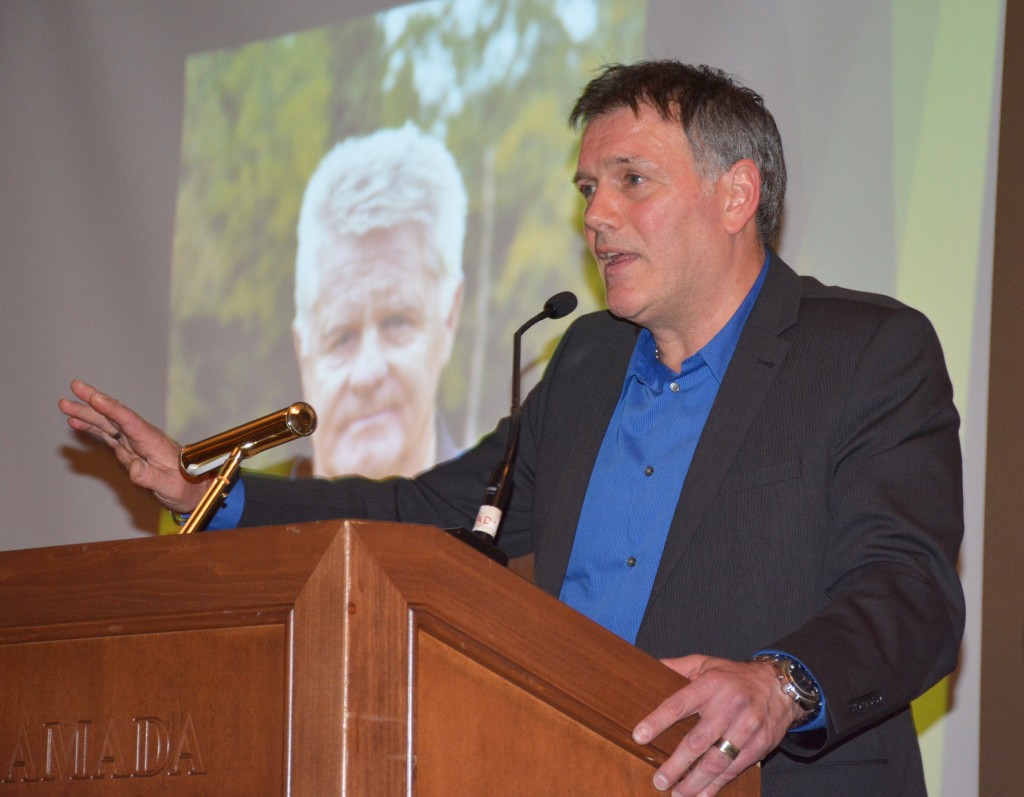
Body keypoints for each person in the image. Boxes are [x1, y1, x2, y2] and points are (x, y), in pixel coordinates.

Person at [60, 60, 964, 797]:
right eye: (587, 187)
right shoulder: (587, 362)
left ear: (736, 196)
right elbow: (437, 516)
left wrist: (779, 683)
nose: (595, 216)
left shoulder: (866, 352)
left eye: (631, 182)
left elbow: (913, 592)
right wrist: (210, 494)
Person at [291, 123, 466, 478]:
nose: (367, 373)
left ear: (449, 318)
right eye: (341, 336)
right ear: (302, 350)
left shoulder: (500, 525)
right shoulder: (253, 532)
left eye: (397, 322)